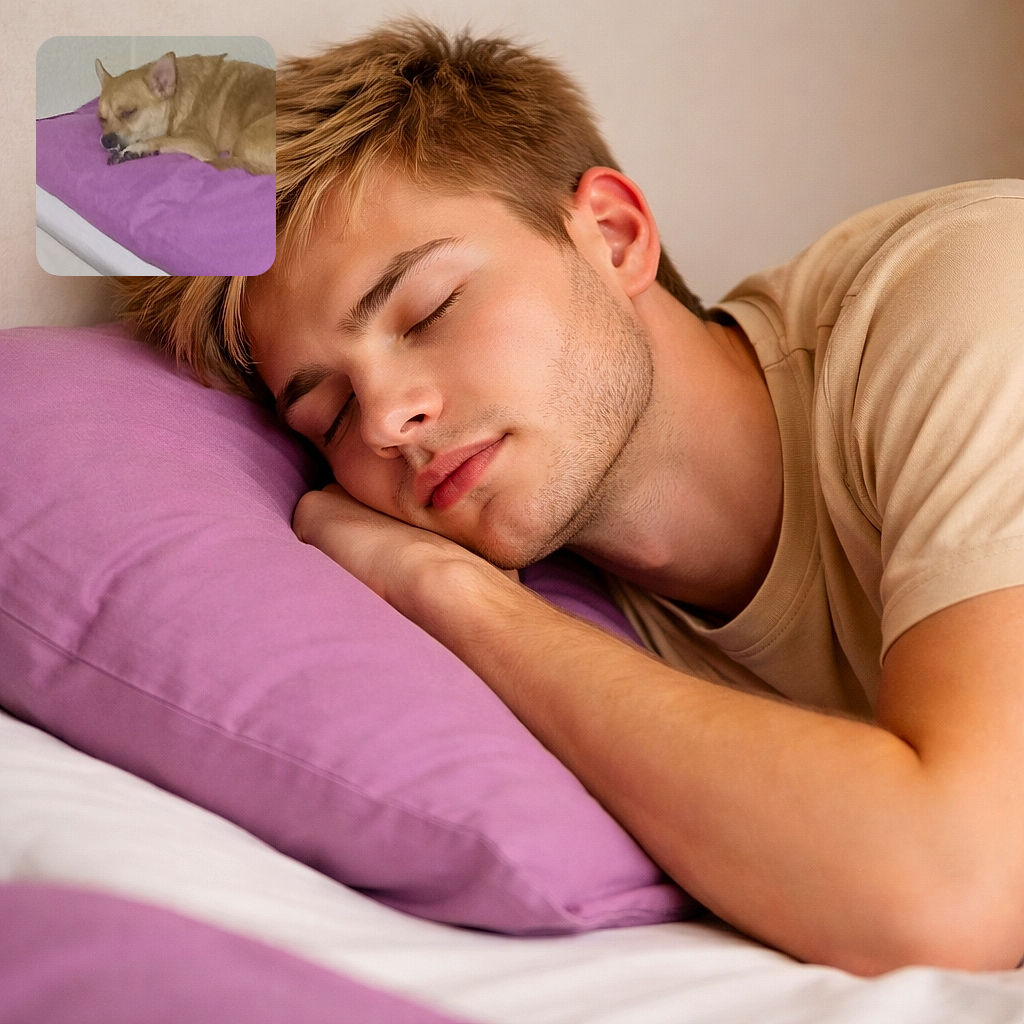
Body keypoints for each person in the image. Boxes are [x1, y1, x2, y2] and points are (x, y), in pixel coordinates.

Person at [113, 18, 1024, 975]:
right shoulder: (595, 617)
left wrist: (455, 598)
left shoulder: (969, 292)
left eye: (428, 310)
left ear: (614, 237)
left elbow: (958, 891)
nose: (385, 419)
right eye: (328, 414)